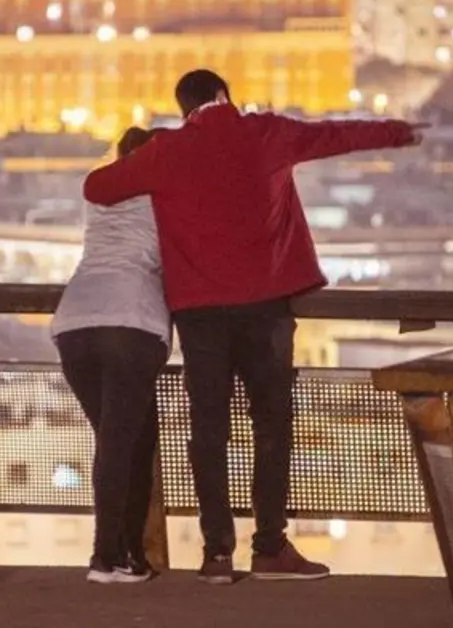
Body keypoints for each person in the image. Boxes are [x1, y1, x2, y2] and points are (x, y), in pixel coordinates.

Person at [83, 70, 426, 584]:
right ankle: (270, 548)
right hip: (266, 307)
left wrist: (150, 166)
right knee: (271, 425)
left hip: (198, 313)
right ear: (224, 96)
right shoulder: (265, 133)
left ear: (185, 109)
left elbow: (98, 187)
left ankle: (216, 554)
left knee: (208, 430)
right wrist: (398, 131)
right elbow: (337, 135)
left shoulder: (169, 151)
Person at [51, 126, 171, 584]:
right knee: (122, 443)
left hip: (75, 321)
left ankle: (128, 555)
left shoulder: (100, 195)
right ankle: (107, 556)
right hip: (131, 322)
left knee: (125, 440)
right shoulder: (167, 194)